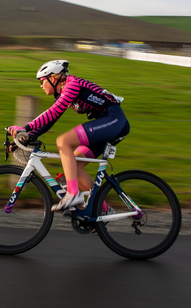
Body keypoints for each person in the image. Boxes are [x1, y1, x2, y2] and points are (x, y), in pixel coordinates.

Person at [8, 60, 130, 212]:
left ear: (52, 78)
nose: (41, 86)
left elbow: (53, 111)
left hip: (114, 119)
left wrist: (25, 127)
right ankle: (102, 210)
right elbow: (50, 121)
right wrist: (25, 138)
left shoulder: (72, 85)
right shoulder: (63, 90)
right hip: (107, 123)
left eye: (41, 81)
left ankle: (73, 194)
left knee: (63, 141)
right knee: (74, 167)